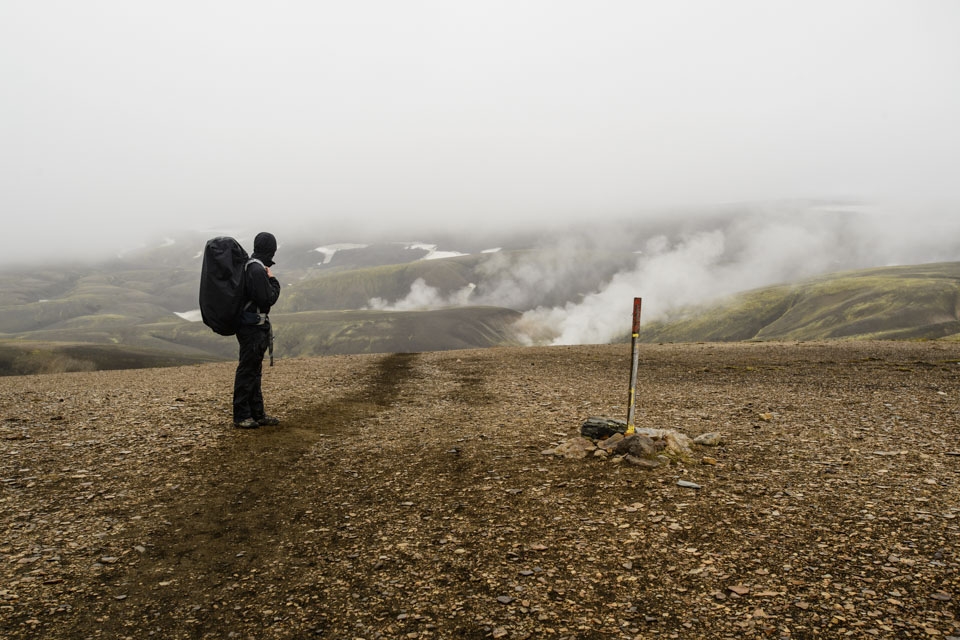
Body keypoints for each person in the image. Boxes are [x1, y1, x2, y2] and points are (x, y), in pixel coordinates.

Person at [233, 232, 282, 429]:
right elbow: (268, 299)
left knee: (253, 370)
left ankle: (256, 414)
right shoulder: (257, 269)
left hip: (251, 325)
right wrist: (274, 280)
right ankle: (242, 415)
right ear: (271, 249)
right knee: (248, 370)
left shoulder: (251, 266)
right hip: (252, 327)